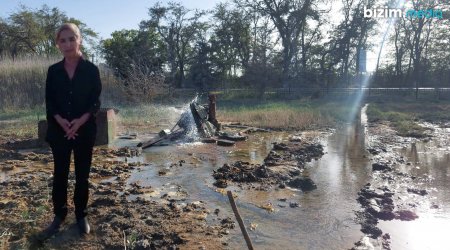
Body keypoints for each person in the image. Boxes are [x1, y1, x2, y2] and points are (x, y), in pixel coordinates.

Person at [41, 23, 101, 238]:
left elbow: (95, 102)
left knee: (82, 175)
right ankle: (59, 215)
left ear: (80, 40)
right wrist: (61, 121)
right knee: (60, 174)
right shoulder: (53, 71)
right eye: (62, 40)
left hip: (84, 130)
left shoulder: (92, 70)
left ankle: (81, 215)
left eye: (71, 38)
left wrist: (80, 121)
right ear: (57, 43)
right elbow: (50, 103)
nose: (67, 44)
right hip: (59, 130)